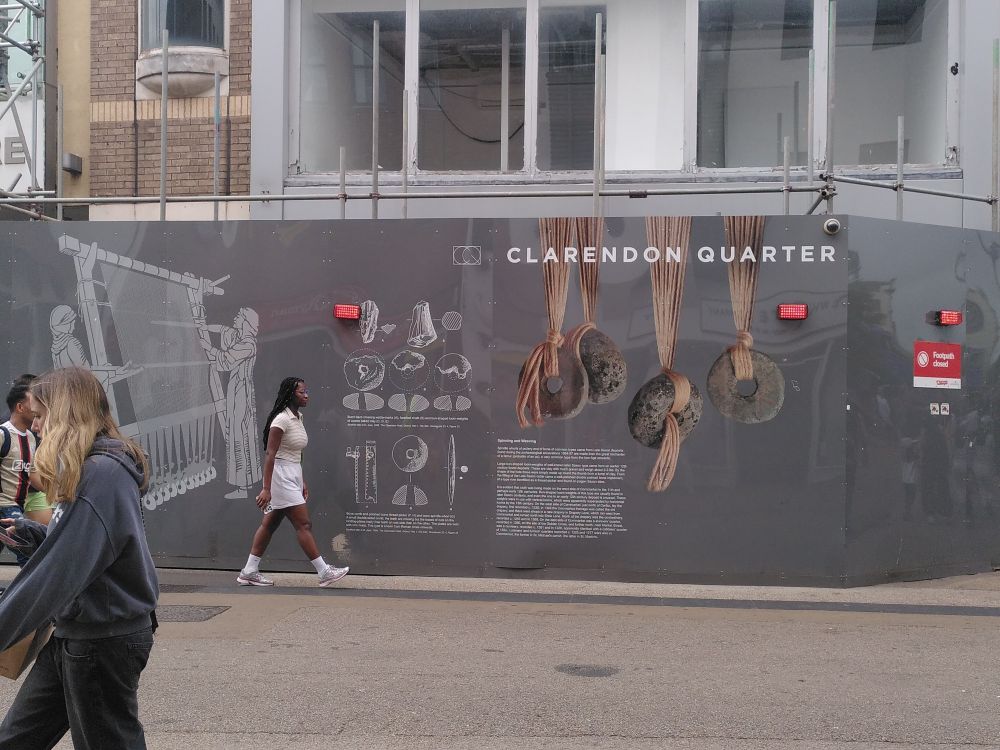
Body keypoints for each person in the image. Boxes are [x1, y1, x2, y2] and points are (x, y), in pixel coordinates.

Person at [0, 367, 158, 749]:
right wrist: (40, 535)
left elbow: (58, 573)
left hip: (101, 640)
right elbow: (88, 549)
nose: (35, 425)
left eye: (39, 415)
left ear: (64, 413)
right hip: (76, 631)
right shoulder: (93, 468)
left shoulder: (100, 474)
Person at [237, 377, 349, 587]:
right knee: (303, 524)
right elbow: (271, 454)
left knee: (269, 523)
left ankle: (249, 571)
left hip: (292, 474)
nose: (306, 395)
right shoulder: (281, 420)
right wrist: (266, 488)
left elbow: (295, 452)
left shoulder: (298, 418)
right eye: (301, 392)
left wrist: (301, 480)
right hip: (280, 476)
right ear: (290, 394)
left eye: (307, 391)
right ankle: (324, 572)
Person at [201, 307, 262, 499]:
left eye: (238, 316)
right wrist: (203, 327)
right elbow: (223, 329)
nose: (234, 318)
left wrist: (207, 346)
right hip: (238, 391)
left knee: (238, 434)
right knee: (241, 434)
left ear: (245, 321)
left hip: (240, 393)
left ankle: (242, 488)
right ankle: (247, 481)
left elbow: (225, 361)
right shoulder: (240, 338)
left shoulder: (248, 344)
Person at [0, 375, 47, 566]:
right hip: (6, 507)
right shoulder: (3, 434)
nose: (38, 406)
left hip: (18, 506)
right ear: (20, 407)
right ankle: (36, 595)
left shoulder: (31, 438)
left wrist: (57, 491)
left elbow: (32, 471)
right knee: (30, 554)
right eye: (32, 401)